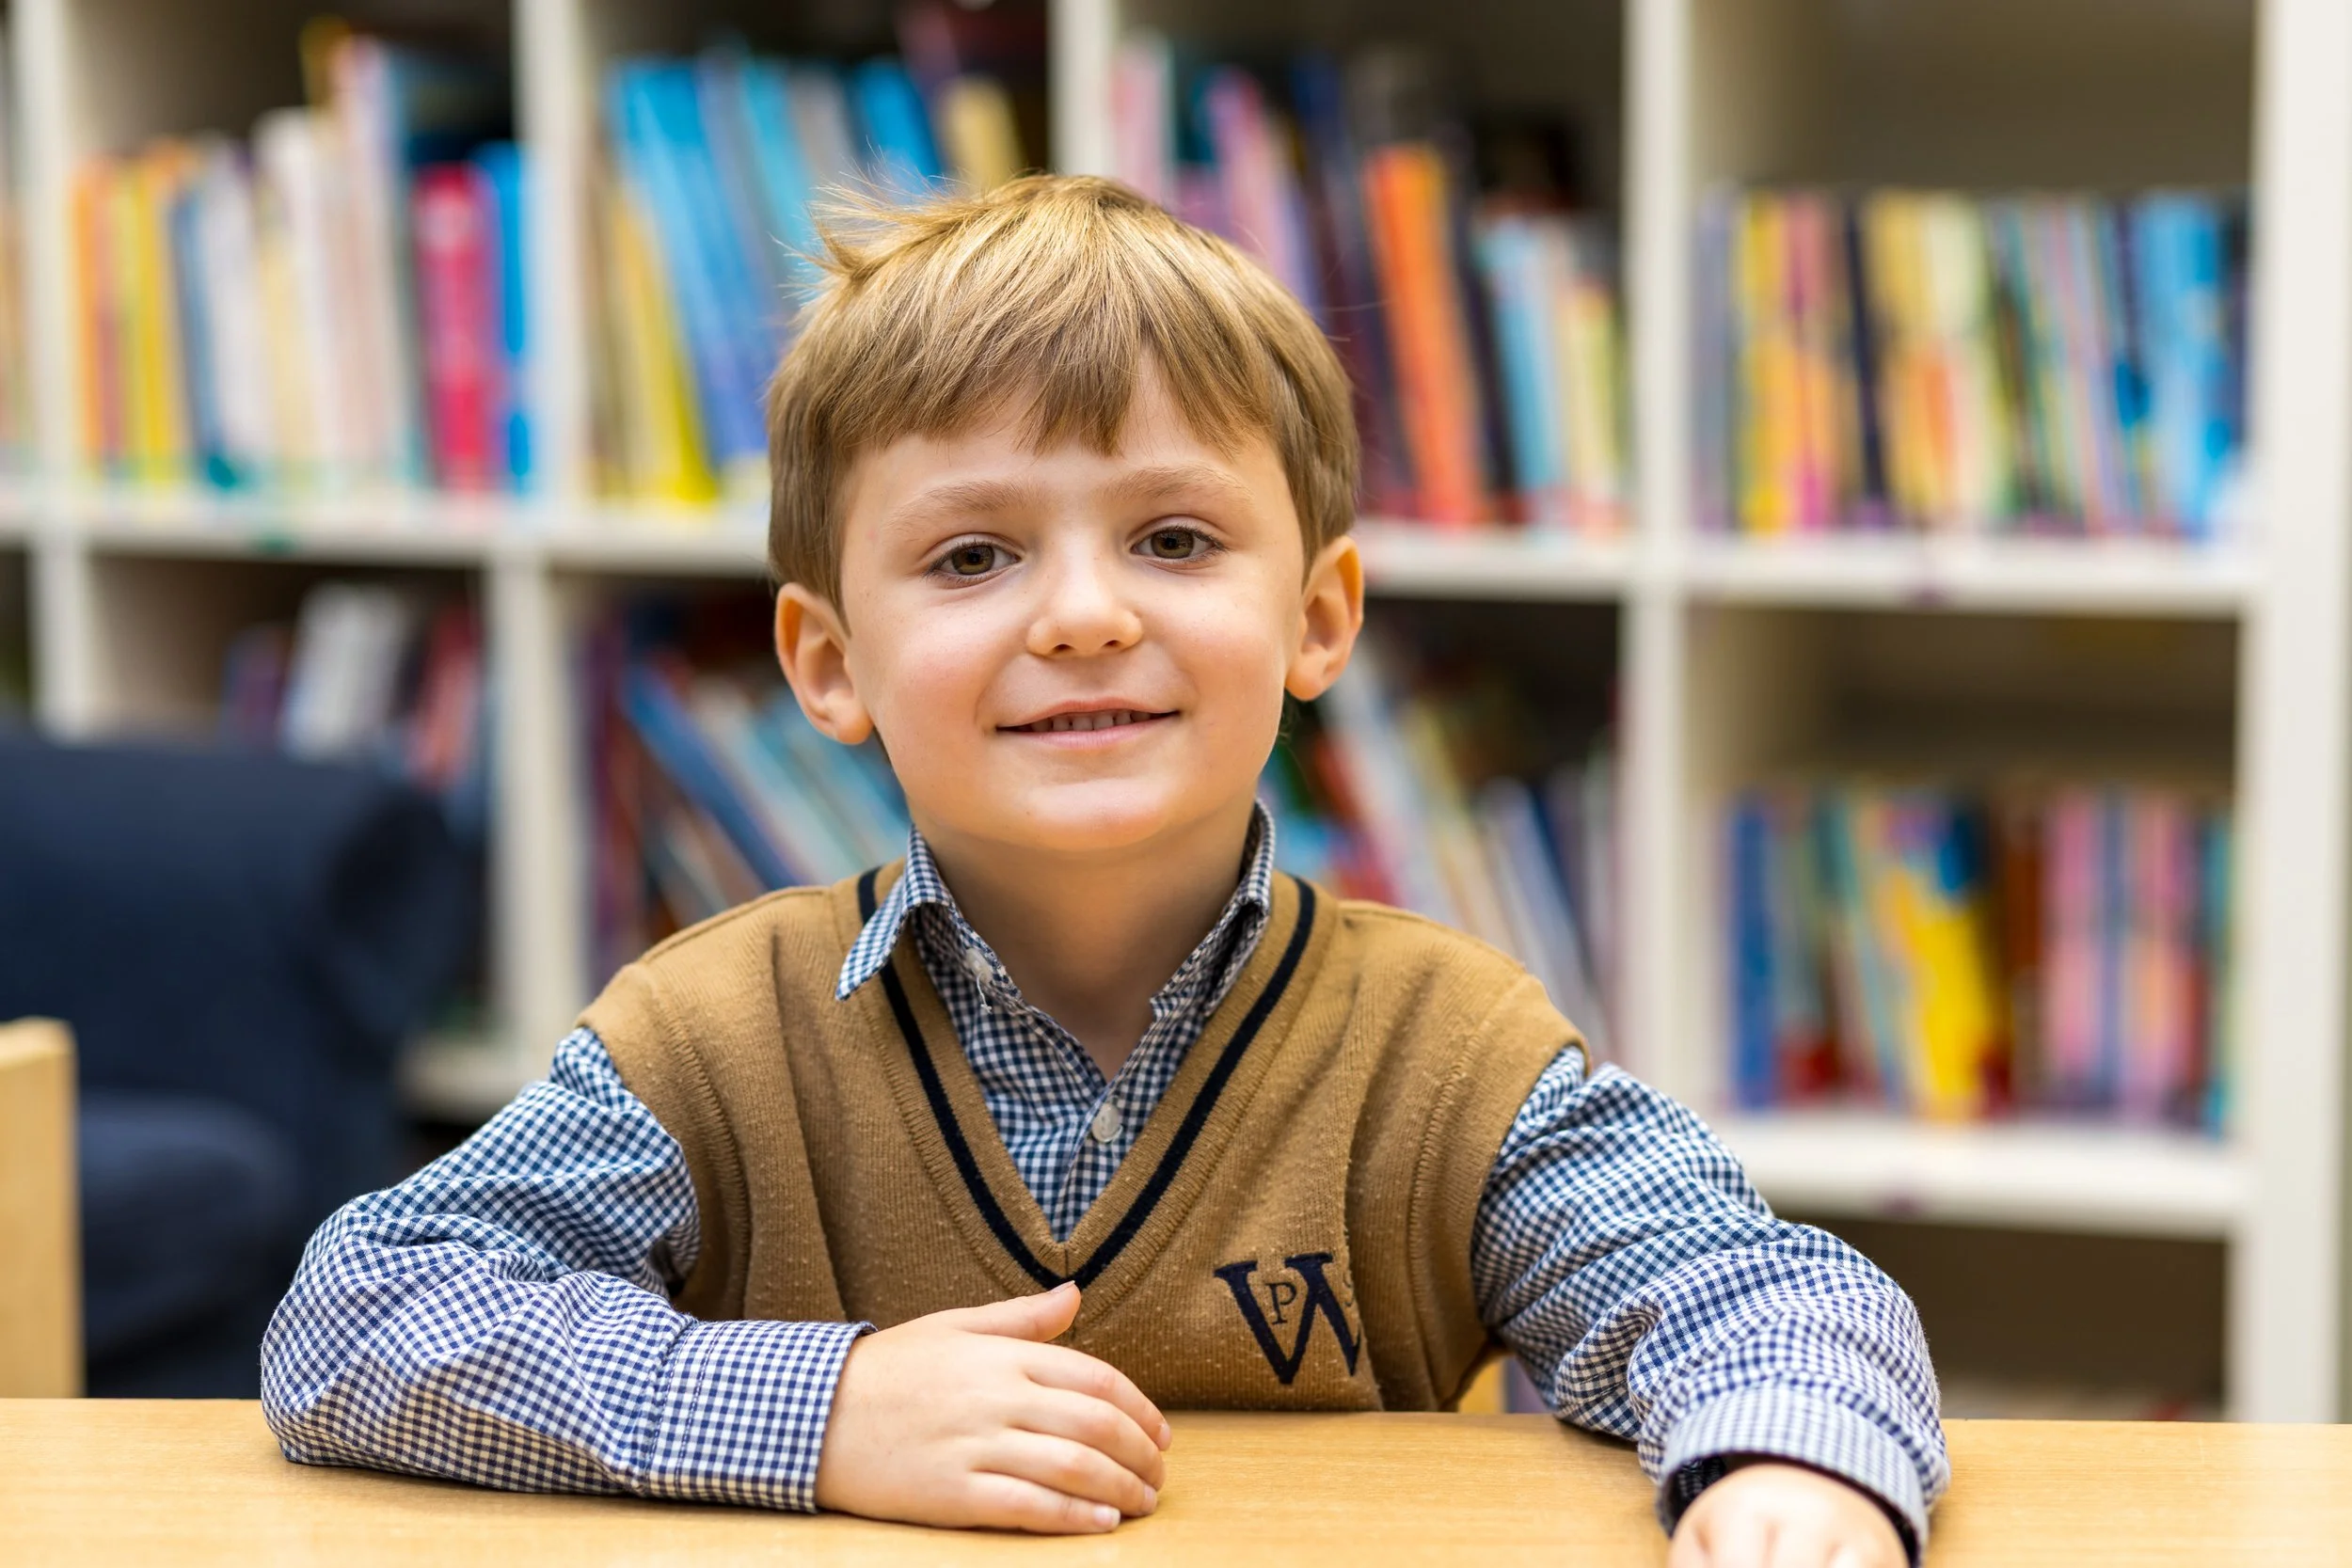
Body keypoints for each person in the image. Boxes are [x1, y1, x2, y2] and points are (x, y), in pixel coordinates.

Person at [262, 175, 1946, 1567]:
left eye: (1175, 538)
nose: (1084, 613)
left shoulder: (1445, 1050)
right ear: (829, 662)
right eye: (975, 554)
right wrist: (817, 1412)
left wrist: (1792, 1473)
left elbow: (1750, 1282)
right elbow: (355, 1319)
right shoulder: (711, 1036)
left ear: (1319, 617)